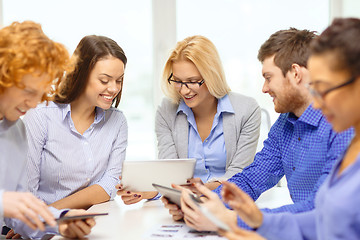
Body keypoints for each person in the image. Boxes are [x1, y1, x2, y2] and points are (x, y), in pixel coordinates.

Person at [164, 28, 354, 230]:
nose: (264, 88)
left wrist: (231, 220)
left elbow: (319, 209)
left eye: (268, 77)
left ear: (296, 74)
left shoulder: (343, 126)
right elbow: (253, 178)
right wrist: (201, 204)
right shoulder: (284, 124)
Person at [117, 35, 261, 205]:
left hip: (230, 202)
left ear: (212, 76)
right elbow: (169, 172)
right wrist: (145, 191)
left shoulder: (247, 110)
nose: (184, 91)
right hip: (182, 203)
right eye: (177, 81)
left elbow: (240, 173)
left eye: (192, 81)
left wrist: (202, 189)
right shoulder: (166, 111)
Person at [0, 21, 95, 239]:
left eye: (41, 94)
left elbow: (19, 209)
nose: (34, 104)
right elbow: (7, 202)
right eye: (28, 91)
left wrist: (59, 221)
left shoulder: (17, 131)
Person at [23, 35, 128, 211]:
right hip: (39, 230)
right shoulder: (41, 116)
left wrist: (52, 211)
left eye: (119, 80)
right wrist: (43, 220)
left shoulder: (117, 121)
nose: (114, 88)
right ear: (80, 74)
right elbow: (26, 190)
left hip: (87, 223)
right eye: (104, 80)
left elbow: (111, 182)